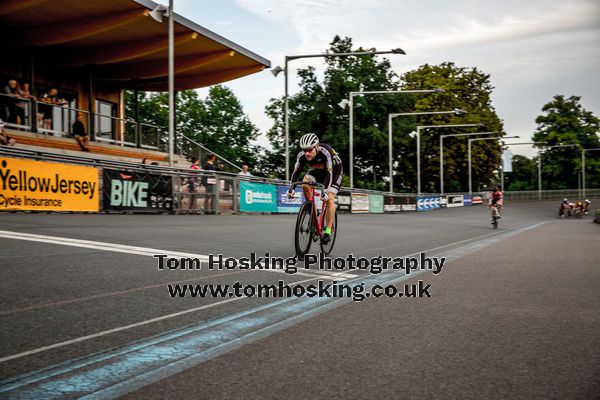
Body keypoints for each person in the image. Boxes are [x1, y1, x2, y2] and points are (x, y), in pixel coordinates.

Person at [288, 133, 343, 244]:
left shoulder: (326, 152)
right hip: (318, 171)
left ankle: (327, 231)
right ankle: (312, 209)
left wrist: (326, 193)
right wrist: (292, 188)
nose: (307, 153)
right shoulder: (301, 156)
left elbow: (329, 173)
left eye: (309, 150)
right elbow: (296, 172)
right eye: (304, 150)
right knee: (305, 183)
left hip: (334, 172)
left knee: (330, 199)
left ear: (316, 147)